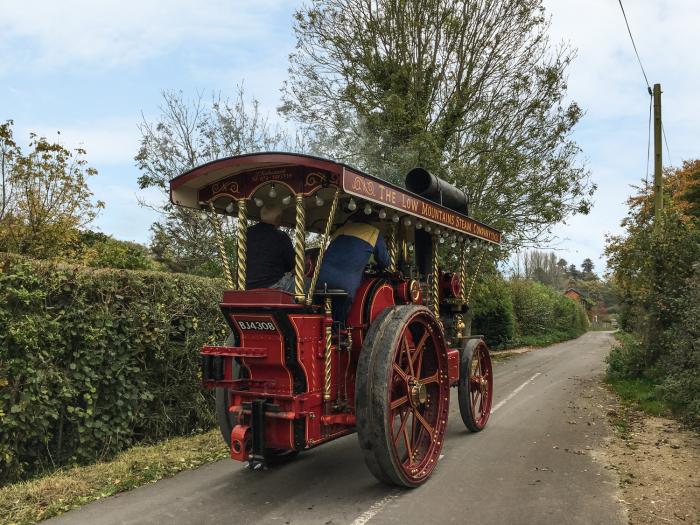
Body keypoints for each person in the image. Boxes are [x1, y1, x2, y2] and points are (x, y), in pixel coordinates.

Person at [316, 214, 390, 322]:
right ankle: (341, 332)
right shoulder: (374, 233)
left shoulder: (341, 230)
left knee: (322, 317)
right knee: (340, 320)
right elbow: (385, 261)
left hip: (321, 280)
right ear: (371, 221)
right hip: (345, 284)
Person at [245, 205, 295, 291]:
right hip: (272, 285)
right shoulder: (281, 237)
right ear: (278, 218)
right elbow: (291, 264)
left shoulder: (245, 233)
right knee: (309, 283)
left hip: (247, 286)